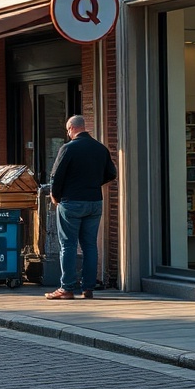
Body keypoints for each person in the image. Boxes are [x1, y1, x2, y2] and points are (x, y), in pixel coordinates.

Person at [45, 115, 117, 301]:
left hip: (71, 202)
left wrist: (55, 195)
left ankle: (67, 288)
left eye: (68, 131)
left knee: (68, 245)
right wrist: (94, 184)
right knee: (90, 245)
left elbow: (56, 175)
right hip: (94, 201)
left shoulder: (68, 148)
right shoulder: (100, 148)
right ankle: (88, 288)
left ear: (71, 128)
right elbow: (111, 173)